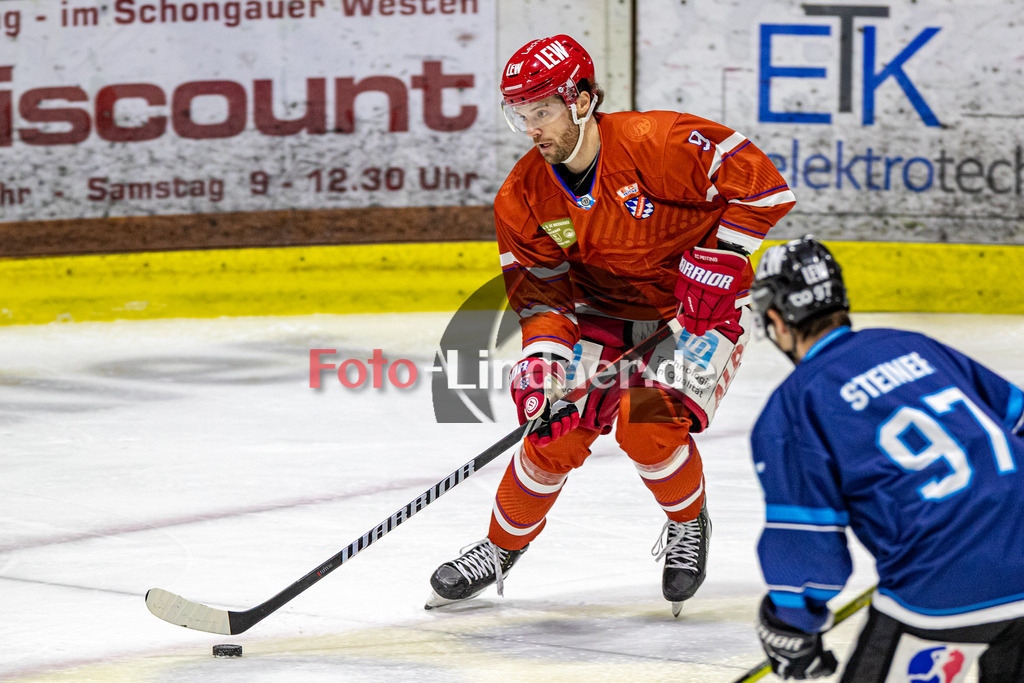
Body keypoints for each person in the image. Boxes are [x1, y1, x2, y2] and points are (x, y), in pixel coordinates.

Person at [425, 34, 795, 615]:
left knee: (645, 423)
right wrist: (541, 364)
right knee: (552, 431)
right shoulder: (524, 196)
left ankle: (687, 522)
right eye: (520, 114)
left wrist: (723, 256)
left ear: (582, 99)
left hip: (693, 316)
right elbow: (545, 296)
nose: (532, 129)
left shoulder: (661, 142)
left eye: (542, 111)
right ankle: (500, 548)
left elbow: (763, 184)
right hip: (601, 317)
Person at [749, 236, 1024, 680]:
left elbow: (808, 547)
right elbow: (1019, 419)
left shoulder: (795, 406)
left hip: (944, 582)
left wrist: (791, 623)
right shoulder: (915, 345)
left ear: (777, 320)